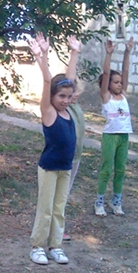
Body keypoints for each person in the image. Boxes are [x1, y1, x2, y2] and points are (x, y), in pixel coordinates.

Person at [28, 33, 80, 265]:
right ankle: (37, 246)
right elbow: (49, 82)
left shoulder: (68, 110)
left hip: (65, 168)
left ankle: (55, 246)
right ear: (51, 97)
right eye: (61, 96)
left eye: (69, 97)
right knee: (46, 208)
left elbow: (69, 80)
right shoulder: (49, 112)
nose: (66, 100)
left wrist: (74, 52)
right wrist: (42, 56)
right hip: (49, 168)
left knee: (59, 208)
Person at [94, 37, 135, 216]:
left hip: (124, 136)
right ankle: (99, 201)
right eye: (115, 82)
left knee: (120, 169)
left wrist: (127, 52)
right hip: (110, 136)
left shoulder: (123, 95)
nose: (119, 84)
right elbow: (106, 73)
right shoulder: (106, 96)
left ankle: (116, 200)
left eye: (120, 82)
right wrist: (109, 54)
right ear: (108, 84)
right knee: (106, 170)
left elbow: (125, 71)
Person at [64, 79, 86, 241]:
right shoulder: (65, 108)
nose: (75, 94)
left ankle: (58, 227)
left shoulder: (76, 107)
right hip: (65, 157)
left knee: (66, 192)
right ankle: (55, 229)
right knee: (60, 194)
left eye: (75, 91)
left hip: (75, 156)